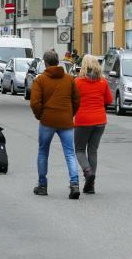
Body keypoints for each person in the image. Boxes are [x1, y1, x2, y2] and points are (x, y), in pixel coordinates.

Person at [29, 50, 81, 199]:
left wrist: (40, 115)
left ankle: (42, 185)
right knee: (70, 154)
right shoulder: (69, 79)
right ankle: (74, 184)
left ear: (45, 63)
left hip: (47, 121)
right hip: (65, 121)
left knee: (43, 152)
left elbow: (35, 103)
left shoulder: (40, 80)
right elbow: (76, 100)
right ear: (58, 62)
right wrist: (70, 114)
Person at [73, 54, 112, 194]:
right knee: (93, 151)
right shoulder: (103, 82)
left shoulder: (77, 82)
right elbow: (109, 100)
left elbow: (72, 100)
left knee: (79, 150)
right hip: (100, 121)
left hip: (83, 120)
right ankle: (91, 185)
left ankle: (88, 172)